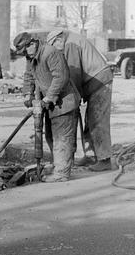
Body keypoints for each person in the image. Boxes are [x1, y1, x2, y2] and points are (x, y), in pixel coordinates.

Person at [13, 31, 80, 183]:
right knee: (50, 136)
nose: (25, 55)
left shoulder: (50, 53)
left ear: (32, 44)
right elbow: (29, 76)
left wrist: (49, 97)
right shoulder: (31, 56)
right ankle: (60, 166)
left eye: (25, 51)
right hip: (50, 104)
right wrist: (27, 95)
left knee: (61, 138)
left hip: (64, 102)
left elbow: (61, 77)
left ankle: (62, 173)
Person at [46, 29, 113, 172]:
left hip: (99, 81)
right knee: (91, 119)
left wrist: (72, 98)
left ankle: (105, 159)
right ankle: (90, 156)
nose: (56, 50)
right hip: (94, 81)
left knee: (98, 120)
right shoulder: (71, 39)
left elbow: (73, 74)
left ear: (58, 39)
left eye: (54, 45)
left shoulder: (70, 44)